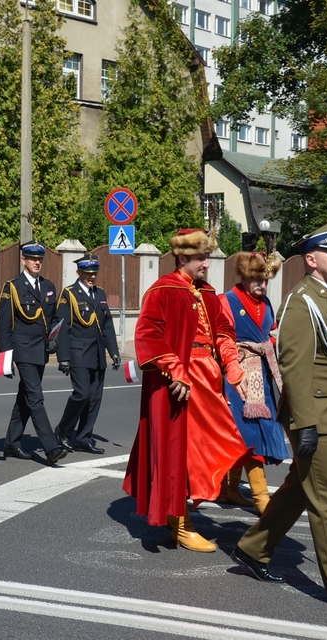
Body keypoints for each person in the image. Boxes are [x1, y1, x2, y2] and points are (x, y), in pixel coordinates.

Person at [230, 222, 327, 618]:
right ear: (312, 260)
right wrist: (305, 422)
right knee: (326, 503)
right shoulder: (303, 300)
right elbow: (294, 366)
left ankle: (253, 547)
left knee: (303, 488)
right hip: (315, 416)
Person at [122, 228, 250, 553]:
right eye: (200, 257)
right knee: (178, 451)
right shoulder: (162, 290)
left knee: (217, 444)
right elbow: (148, 333)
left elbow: (223, 330)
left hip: (209, 380)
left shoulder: (207, 293)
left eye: (207, 256)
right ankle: (179, 521)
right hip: (178, 385)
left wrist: (232, 364)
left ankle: (185, 508)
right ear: (183, 257)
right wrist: (176, 370)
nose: (207, 263)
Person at [218, 251, 287, 516]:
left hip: (263, 375)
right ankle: (260, 498)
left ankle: (232, 489)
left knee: (252, 433)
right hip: (237, 377)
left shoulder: (267, 303)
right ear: (245, 276)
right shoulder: (227, 300)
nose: (262, 284)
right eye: (257, 278)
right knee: (248, 435)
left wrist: (271, 344)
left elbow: (271, 332)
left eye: (265, 279)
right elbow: (221, 338)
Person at [0, 240, 68, 465]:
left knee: (25, 399)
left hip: (41, 351)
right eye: (32, 259)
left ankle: (11, 442)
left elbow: (55, 318)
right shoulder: (13, 286)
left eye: (40, 259)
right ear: (23, 260)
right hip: (23, 351)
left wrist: (54, 341)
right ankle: (51, 447)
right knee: (36, 397)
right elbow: (4, 325)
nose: (37, 262)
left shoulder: (48, 286)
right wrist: (5, 360)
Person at [54, 253, 120, 454]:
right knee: (81, 394)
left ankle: (84, 437)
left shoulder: (99, 294)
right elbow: (62, 328)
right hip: (79, 354)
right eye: (87, 273)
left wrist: (114, 352)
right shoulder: (69, 294)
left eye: (94, 273)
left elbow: (106, 325)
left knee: (94, 398)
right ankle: (63, 431)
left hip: (98, 354)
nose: (92, 276)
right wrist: (63, 357)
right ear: (78, 272)